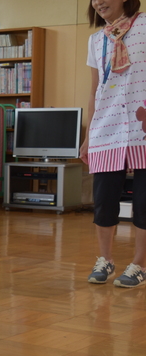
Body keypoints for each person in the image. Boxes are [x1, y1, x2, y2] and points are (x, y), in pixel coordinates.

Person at [82, 0, 146, 288]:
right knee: (104, 200)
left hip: (142, 124)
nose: (99, 2)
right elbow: (95, 90)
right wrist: (88, 136)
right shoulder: (96, 39)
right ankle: (105, 260)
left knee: (144, 202)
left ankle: (139, 265)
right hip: (106, 128)